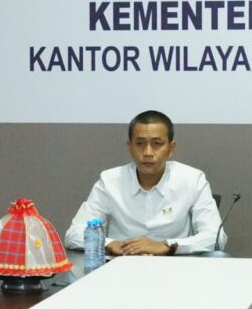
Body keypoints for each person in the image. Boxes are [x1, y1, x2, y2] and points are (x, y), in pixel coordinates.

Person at [65, 110, 226, 256]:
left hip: (175, 265)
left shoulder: (192, 179)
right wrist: (109, 244)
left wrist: (167, 246)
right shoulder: (110, 181)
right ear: (129, 146)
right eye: (140, 144)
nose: (148, 152)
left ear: (171, 148)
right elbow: (74, 234)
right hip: (121, 264)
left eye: (157, 144)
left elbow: (216, 237)